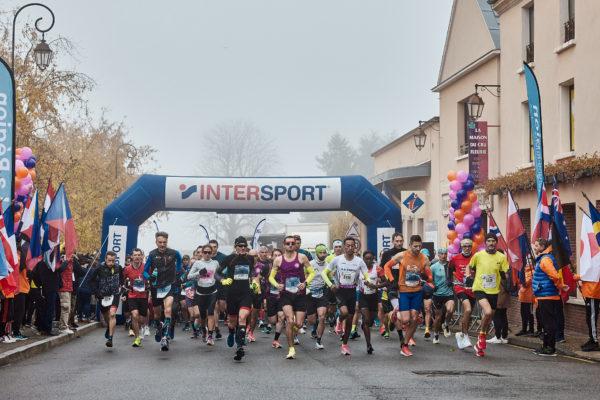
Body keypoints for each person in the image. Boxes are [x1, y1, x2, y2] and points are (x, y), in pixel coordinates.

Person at [383, 235, 431, 357]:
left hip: (417, 291)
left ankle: (405, 345)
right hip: (404, 291)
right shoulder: (402, 255)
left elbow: (429, 275)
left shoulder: (424, 258)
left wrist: (427, 278)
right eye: (415, 246)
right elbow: (386, 266)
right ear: (410, 245)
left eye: (420, 246)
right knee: (405, 319)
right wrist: (392, 280)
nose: (418, 248)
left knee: (414, 318)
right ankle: (394, 314)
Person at [322, 237, 371, 356]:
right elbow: (324, 273)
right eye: (347, 245)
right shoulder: (337, 259)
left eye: (352, 246)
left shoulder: (359, 261)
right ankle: (339, 321)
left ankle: (344, 345)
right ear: (344, 247)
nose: (350, 248)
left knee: (349, 320)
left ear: (355, 247)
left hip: (352, 291)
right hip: (340, 290)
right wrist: (330, 284)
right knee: (344, 313)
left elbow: (366, 274)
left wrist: (368, 281)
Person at [269, 236, 315, 359]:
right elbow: (271, 277)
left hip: (300, 295)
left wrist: (305, 283)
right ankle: (291, 349)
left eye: (292, 243)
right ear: (284, 245)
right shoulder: (278, 260)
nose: (290, 245)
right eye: (288, 243)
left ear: (295, 245)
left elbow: (312, 272)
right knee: (289, 320)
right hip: (286, 295)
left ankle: (293, 332)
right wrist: (277, 285)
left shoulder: (302, 257)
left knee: (298, 324)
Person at [465, 233, 509, 357]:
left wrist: (505, 276)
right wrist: (468, 276)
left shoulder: (501, 257)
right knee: (488, 312)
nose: (491, 243)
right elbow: (470, 266)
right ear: (485, 243)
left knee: (489, 317)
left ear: (496, 243)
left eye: (493, 241)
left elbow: (505, 272)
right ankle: (482, 336)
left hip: (494, 291)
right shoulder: (478, 255)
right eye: (489, 241)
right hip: (479, 288)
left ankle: (479, 344)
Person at [217, 236, 260, 361]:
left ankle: (240, 347)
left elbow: (255, 271)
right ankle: (231, 333)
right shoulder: (229, 258)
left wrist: (255, 281)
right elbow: (216, 273)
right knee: (232, 321)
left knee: (242, 317)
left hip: (246, 293)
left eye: (244, 246)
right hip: (231, 294)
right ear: (235, 247)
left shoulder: (250, 259)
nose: (242, 248)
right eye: (240, 246)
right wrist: (223, 280)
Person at [143, 231, 183, 351]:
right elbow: (144, 271)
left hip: (169, 285)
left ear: (167, 242)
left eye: (164, 242)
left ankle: (165, 337)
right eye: (160, 242)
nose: (162, 244)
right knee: (157, 314)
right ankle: (159, 326)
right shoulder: (152, 254)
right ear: (156, 242)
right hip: (156, 286)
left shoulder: (174, 253)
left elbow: (180, 262)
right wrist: (149, 277)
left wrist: (177, 272)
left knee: (168, 309)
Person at [531, 238, 569, 356]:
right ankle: (546, 346)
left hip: (547, 296)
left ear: (543, 247)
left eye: (536, 246)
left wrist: (561, 286)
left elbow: (554, 275)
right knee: (546, 322)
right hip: (545, 295)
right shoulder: (544, 258)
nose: (535, 248)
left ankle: (550, 348)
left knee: (548, 323)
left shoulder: (545, 259)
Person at [89, 251, 124, 348]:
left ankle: (110, 338)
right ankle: (109, 327)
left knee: (112, 314)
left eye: (113, 261)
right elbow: (91, 281)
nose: (111, 263)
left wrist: (121, 288)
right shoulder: (99, 268)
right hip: (103, 296)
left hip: (114, 294)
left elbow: (122, 279)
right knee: (106, 316)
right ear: (105, 259)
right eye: (109, 261)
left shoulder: (118, 268)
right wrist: (96, 292)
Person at [187, 244, 220, 346]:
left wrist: (221, 279)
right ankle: (203, 330)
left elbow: (217, 274)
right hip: (200, 293)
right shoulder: (197, 263)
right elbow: (189, 277)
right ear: (201, 253)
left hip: (212, 292)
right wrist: (199, 273)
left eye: (209, 252)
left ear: (212, 253)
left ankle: (210, 336)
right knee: (202, 315)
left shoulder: (215, 263)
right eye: (205, 252)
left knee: (210, 313)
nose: (207, 254)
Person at [448, 238, 475, 349]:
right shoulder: (455, 258)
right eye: (465, 246)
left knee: (468, 314)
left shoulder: (476, 257)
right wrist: (449, 280)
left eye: (469, 246)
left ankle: (462, 334)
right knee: (467, 309)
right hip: (460, 287)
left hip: (472, 288)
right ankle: (465, 336)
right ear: (461, 247)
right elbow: (449, 269)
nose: (467, 248)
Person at [358, 250, 384, 354]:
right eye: (366, 259)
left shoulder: (377, 268)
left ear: (373, 259)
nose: (368, 261)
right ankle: (369, 345)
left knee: (370, 321)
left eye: (370, 259)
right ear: (363, 259)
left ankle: (364, 325)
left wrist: (376, 286)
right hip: (363, 296)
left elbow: (387, 282)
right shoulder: (359, 268)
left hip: (374, 296)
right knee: (366, 319)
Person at [123, 248, 148, 347]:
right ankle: (137, 338)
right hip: (132, 295)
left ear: (141, 257)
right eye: (135, 255)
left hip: (143, 295)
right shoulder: (127, 269)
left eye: (139, 255)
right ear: (132, 257)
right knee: (134, 315)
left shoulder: (146, 267)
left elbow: (150, 278)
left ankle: (141, 328)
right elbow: (123, 281)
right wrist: (125, 292)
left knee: (141, 319)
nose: (137, 257)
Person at [306, 244, 329, 349]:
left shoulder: (328, 265)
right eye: (321, 252)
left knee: (322, 317)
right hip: (310, 294)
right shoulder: (310, 264)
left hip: (322, 294)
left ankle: (319, 341)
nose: (323, 254)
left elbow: (331, 277)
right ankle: (314, 327)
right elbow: (304, 276)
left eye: (324, 252)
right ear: (316, 253)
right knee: (311, 320)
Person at [430, 248, 454, 344]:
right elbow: (429, 279)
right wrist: (433, 286)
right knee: (438, 317)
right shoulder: (434, 267)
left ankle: (446, 324)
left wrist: (452, 282)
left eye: (445, 254)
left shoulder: (450, 265)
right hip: (437, 294)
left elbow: (455, 275)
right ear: (438, 255)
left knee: (450, 310)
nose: (443, 256)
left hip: (449, 293)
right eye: (441, 254)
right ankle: (436, 335)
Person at [248, 246, 271, 342]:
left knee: (254, 313)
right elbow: (254, 278)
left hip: (261, 290)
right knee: (246, 312)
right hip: (248, 290)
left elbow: (266, 276)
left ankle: (250, 333)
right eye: (262, 252)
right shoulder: (250, 264)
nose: (264, 254)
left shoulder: (269, 264)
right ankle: (245, 328)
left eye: (266, 252)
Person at [574, 272, 600, 351]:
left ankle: (594, 341)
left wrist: (578, 277)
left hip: (593, 292)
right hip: (590, 291)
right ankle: (591, 339)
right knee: (589, 318)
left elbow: (592, 274)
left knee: (591, 318)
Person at [267, 248, 285, 349]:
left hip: (282, 297)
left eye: (279, 255)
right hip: (271, 297)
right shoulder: (268, 268)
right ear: (272, 257)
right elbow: (258, 278)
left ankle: (276, 340)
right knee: (273, 320)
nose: (277, 257)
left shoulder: (285, 268)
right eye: (275, 255)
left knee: (281, 317)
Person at [210, 239, 227, 340]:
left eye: (214, 247)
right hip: (210, 286)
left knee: (222, 307)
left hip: (221, 284)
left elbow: (227, 270)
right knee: (214, 307)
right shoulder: (206, 256)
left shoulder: (223, 257)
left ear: (217, 247)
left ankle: (224, 314)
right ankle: (216, 329)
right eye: (210, 247)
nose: (212, 249)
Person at [516, 263, 535, 336]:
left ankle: (531, 329)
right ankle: (524, 329)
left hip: (529, 297)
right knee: (523, 314)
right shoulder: (523, 272)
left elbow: (525, 283)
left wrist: (520, 279)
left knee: (529, 314)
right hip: (523, 297)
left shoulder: (532, 272)